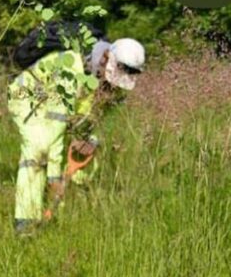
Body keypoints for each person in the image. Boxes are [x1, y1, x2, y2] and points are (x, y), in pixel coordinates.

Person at [9, 36, 145, 233]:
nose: (114, 85)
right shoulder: (71, 69)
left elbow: (101, 120)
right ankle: (26, 222)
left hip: (65, 107)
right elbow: (54, 131)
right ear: (107, 58)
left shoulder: (114, 83)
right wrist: (54, 180)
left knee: (83, 163)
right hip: (28, 97)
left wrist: (90, 139)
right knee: (40, 149)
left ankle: (65, 216)